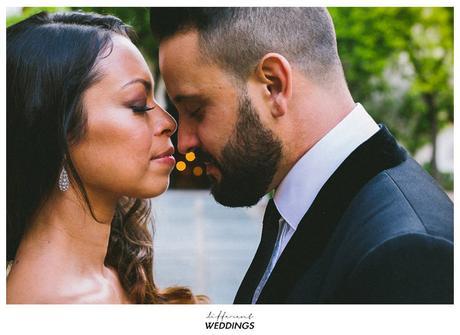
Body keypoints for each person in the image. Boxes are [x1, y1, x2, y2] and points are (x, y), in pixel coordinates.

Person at [149, 7, 453, 303]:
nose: (184, 141)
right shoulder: (299, 202)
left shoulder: (409, 253)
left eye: (195, 110)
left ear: (274, 85)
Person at [7, 11, 205, 304]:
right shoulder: (53, 307)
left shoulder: (114, 272)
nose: (168, 122)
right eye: (138, 105)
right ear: (59, 135)